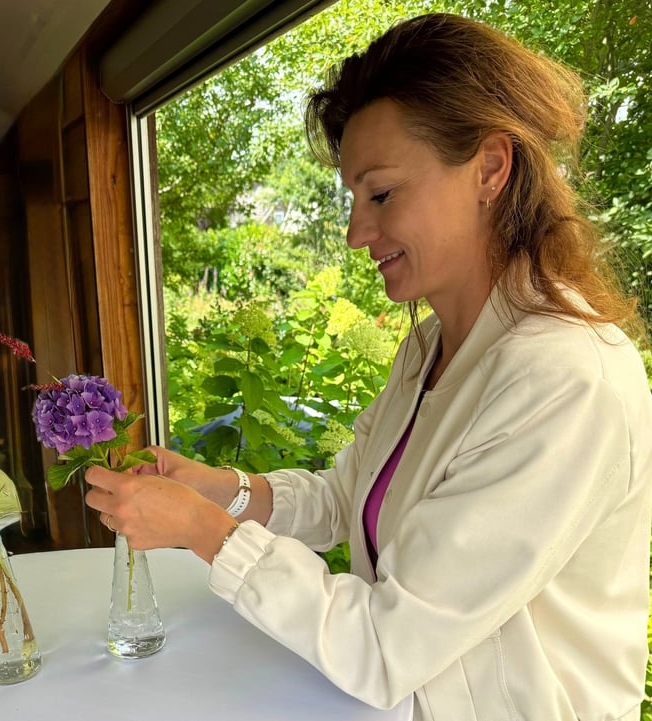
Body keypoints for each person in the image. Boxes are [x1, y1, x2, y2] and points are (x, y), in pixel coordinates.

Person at [85, 13, 652, 720]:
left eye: (381, 194)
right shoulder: (430, 348)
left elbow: (387, 645)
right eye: (354, 199)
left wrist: (204, 529)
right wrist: (221, 490)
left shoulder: (565, 380)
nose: (357, 233)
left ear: (490, 169)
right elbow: (344, 498)